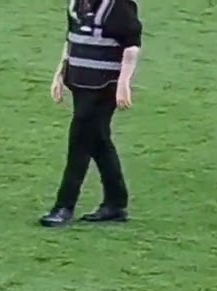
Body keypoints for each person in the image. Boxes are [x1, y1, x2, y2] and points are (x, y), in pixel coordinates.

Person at [39, 0, 143, 228]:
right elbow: (71, 38)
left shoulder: (118, 5)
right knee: (98, 141)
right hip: (80, 81)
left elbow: (132, 45)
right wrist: (60, 73)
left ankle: (64, 206)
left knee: (79, 140)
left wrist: (124, 83)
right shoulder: (76, 3)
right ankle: (116, 203)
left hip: (105, 86)